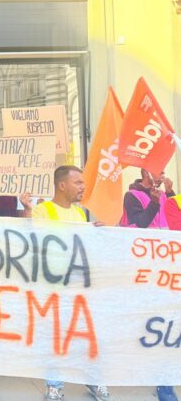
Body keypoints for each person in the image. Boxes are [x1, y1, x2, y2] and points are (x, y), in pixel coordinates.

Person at [27, 165, 112, 401]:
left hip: (78, 287)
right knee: (55, 336)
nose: (83, 187)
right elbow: (34, 243)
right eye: (78, 183)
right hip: (53, 287)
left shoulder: (80, 215)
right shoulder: (42, 211)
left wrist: (96, 233)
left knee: (89, 335)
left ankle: (94, 379)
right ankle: (54, 385)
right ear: (62, 185)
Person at [120, 169, 177, 401]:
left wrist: (170, 194)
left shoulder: (166, 196)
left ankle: (165, 381)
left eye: (163, 170)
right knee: (151, 324)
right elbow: (141, 225)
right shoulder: (132, 196)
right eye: (157, 169)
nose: (161, 174)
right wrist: (154, 203)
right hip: (145, 271)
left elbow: (175, 224)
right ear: (145, 171)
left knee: (168, 324)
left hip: (167, 270)